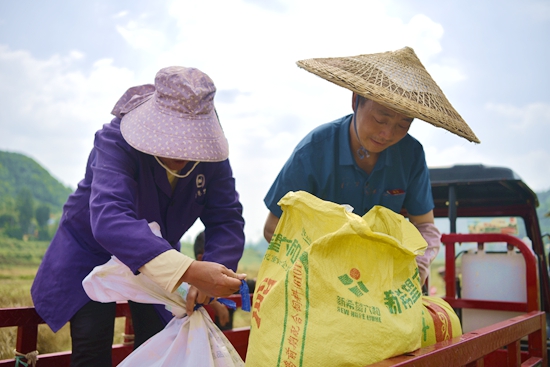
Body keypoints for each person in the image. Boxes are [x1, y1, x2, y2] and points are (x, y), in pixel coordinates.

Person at [31, 66, 246, 367]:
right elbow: (110, 218)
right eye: (172, 138)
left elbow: (226, 219)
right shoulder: (117, 140)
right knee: (92, 346)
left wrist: (211, 275)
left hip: (160, 258)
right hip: (92, 251)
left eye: (191, 141)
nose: (182, 150)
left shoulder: (211, 159)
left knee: (163, 340)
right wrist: (188, 270)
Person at [263, 47, 480, 286]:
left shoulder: (411, 155)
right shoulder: (315, 149)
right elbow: (273, 229)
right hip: (320, 279)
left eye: (402, 125)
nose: (387, 134)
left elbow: (426, 227)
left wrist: (417, 264)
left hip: (383, 281)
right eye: (380, 119)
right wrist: (331, 266)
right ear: (356, 100)